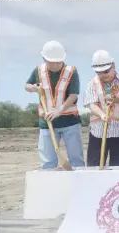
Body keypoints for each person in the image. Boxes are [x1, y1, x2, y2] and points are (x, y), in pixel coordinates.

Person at [24, 40, 85, 170]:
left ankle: (79, 186)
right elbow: (27, 86)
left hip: (70, 122)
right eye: (52, 62)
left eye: (58, 61)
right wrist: (34, 87)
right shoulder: (38, 71)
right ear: (44, 59)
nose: (56, 64)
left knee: (76, 159)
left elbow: (73, 95)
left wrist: (59, 110)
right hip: (47, 123)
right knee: (48, 162)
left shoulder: (71, 71)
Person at [83, 50, 119, 167]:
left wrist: (118, 100)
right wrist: (102, 114)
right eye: (99, 72)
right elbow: (91, 104)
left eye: (106, 71)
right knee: (94, 166)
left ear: (113, 66)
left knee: (118, 167)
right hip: (98, 133)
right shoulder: (92, 84)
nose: (103, 75)